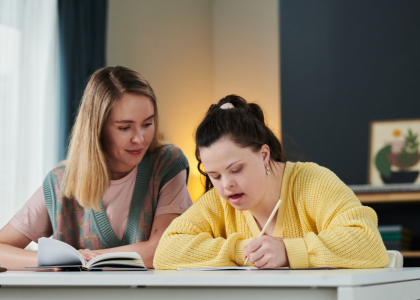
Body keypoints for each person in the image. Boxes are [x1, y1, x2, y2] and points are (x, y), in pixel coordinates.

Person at [153, 95, 389, 270]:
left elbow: (369, 243)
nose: (226, 186)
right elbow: (166, 251)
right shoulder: (219, 201)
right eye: (215, 176)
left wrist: (289, 251)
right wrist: (241, 250)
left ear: (264, 154)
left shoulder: (313, 183)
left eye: (235, 169)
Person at [0, 66, 192, 269]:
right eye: (125, 128)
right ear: (97, 129)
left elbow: (162, 250)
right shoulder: (60, 183)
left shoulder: (166, 163)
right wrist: (50, 261)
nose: (140, 139)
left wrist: (85, 258)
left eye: (147, 124)